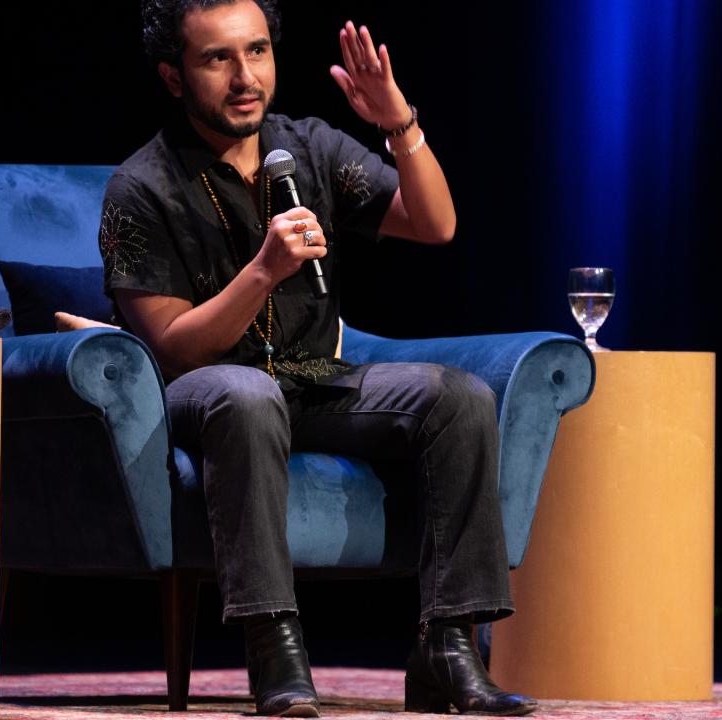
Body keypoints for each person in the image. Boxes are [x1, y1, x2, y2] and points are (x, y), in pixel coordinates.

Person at [99, 1, 538, 716]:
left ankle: (448, 650)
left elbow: (436, 224)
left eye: (259, 51)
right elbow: (172, 345)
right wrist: (263, 272)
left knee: (458, 398)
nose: (246, 76)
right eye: (218, 59)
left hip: (310, 379)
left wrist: (400, 125)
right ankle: (275, 653)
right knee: (245, 396)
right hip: (199, 395)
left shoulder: (308, 150)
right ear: (174, 78)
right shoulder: (140, 188)